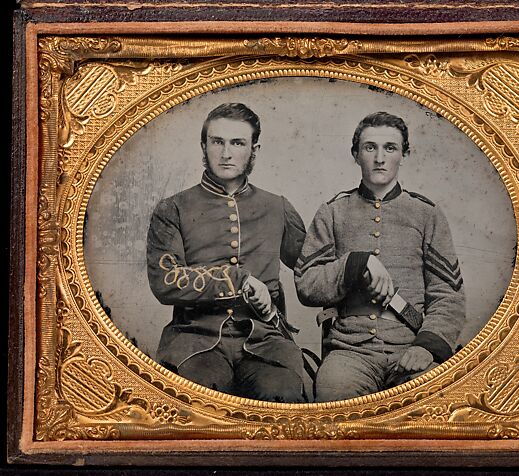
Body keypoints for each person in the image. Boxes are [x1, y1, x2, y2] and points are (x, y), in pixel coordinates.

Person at [295, 111, 465, 402]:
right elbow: (307, 284)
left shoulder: (426, 214)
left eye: (390, 148)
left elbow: (448, 297)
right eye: (370, 147)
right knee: (334, 396)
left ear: (404, 154)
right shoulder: (333, 212)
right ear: (355, 154)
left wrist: (426, 347)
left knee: (432, 401)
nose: (379, 158)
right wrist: (354, 263)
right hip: (350, 351)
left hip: (410, 343)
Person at [147, 103, 306, 402]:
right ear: (204, 146)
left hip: (265, 341)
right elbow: (164, 280)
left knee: (281, 393)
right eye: (217, 142)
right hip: (195, 341)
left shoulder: (278, 207)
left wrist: (356, 264)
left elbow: (312, 271)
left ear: (254, 150)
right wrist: (239, 280)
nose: (226, 153)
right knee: (202, 398)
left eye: (237, 143)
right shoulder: (173, 208)